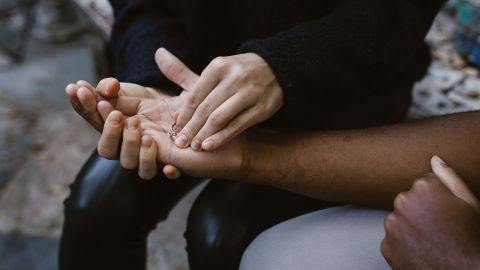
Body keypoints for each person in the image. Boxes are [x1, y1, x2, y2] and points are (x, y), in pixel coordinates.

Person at [60, 0, 445, 269]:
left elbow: (402, 9)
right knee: (95, 206)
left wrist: (284, 67)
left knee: (222, 230)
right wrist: (159, 77)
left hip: (343, 81)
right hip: (187, 79)